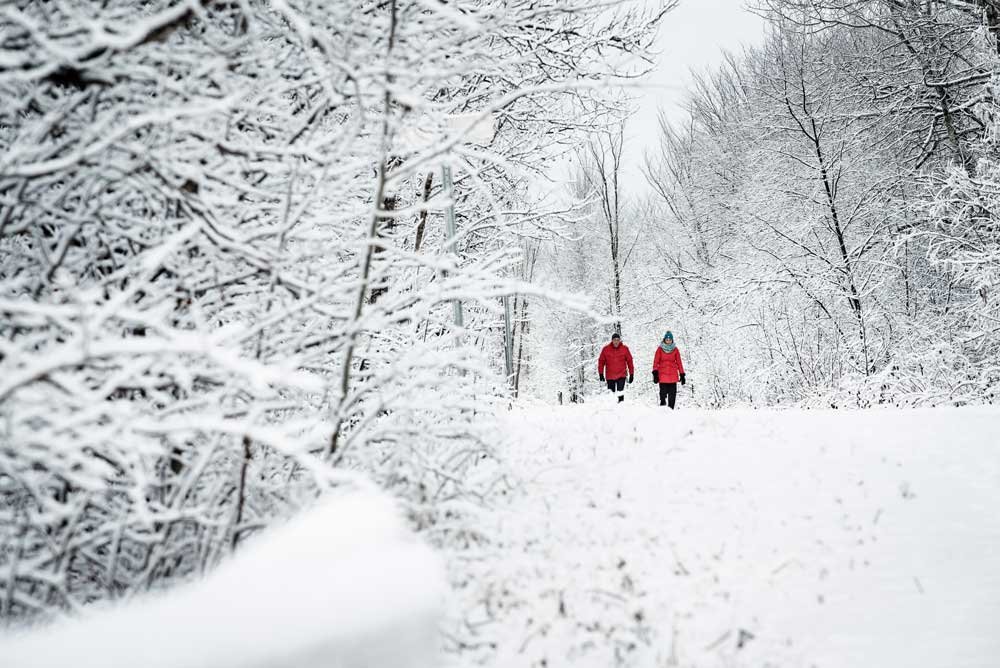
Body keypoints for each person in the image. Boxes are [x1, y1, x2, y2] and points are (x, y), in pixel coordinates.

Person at [652, 331, 686, 409]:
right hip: (662, 376)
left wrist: (682, 374)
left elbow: (679, 362)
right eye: (667, 339)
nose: (668, 341)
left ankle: (671, 412)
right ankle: (662, 411)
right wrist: (655, 373)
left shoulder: (675, 350)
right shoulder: (659, 349)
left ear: (672, 340)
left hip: (673, 377)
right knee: (662, 396)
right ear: (664, 340)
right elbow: (656, 362)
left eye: (670, 339)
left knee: (672, 397)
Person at [598, 332, 634, 403]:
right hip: (610, 376)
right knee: (611, 396)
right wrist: (601, 374)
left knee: (620, 394)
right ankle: (612, 409)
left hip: (621, 375)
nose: (616, 342)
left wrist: (631, 374)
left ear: (620, 340)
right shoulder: (606, 349)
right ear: (612, 340)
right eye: (615, 340)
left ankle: (621, 407)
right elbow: (601, 362)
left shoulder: (625, 349)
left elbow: (630, 361)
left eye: (618, 340)